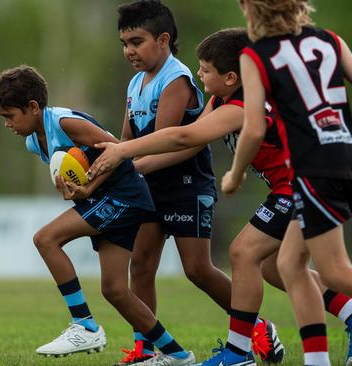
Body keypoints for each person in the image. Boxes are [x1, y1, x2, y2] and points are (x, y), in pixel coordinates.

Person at [90, 27, 352, 366]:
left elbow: (185, 135)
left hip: (302, 186)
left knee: (243, 253)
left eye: (204, 69)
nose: (198, 73)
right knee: (276, 267)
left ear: (231, 77)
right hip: (289, 187)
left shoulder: (242, 105)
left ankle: (238, 351)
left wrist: (122, 152)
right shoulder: (220, 100)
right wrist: (133, 166)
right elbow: (191, 140)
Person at [220, 1, 352, 365]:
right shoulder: (328, 40)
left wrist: (236, 172)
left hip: (312, 165)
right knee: (289, 264)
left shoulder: (255, 56)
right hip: (341, 156)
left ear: (250, 8)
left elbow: (254, 128)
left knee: (335, 269)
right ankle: (317, 361)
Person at [0, 65, 196, 366]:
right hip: (109, 198)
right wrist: (76, 188)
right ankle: (178, 355)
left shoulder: (64, 122)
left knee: (45, 238)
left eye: (10, 115)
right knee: (114, 289)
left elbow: (118, 149)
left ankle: (84, 325)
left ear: (33, 107)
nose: (7, 124)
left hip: (126, 194)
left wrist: (89, 187)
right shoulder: (34, 141)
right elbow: (78, 173)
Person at [113, 3, 239, 364]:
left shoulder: (177, 78)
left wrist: (123, 167)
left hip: (186, 186)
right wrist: (102, 163)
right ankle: (146, 350)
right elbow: (126, 141)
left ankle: (256, 328)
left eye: (137, 41)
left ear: (164, 39)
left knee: (197, 269)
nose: (129, 51)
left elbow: (170, 142)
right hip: (149, 186)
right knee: (141, 265)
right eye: (124, 43)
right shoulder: (136, 83)